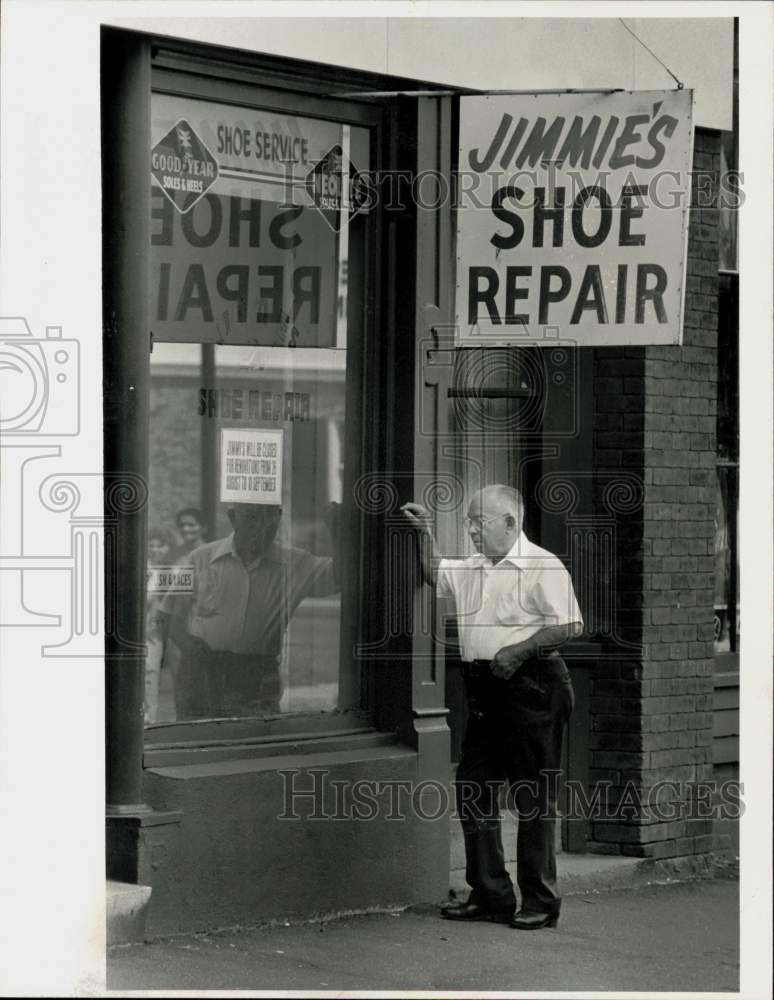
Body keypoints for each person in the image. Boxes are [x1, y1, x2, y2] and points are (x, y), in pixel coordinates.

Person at [402, 485, 583, 930]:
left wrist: (520, 650)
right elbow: (432, 572)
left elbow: (570, 624)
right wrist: (425, 531)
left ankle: (540, 901)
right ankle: (491, 894)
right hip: (484, 691)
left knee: (532, 797)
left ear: (510, 522)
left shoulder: (542, 565)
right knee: (473, 790)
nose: (472, 529)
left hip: (533, 688)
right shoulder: (471, 568)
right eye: (469, 521)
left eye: (479, 521)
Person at [160, 502, 340, 719]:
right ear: (233, 518)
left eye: (269, 518)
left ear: (279, 517)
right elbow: (167, 616)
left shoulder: (295, 563)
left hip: (256, 679)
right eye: (252, 517)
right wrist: (195, 653)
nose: (261, 527)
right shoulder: (199, 558)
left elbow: (345, 576)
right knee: (198, 741)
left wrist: (340, 533)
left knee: (253, 744)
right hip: (202, 673)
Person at [144, 525, 176, 724]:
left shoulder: (172, 572)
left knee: (150, 672)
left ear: (168, 548)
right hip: (135, 629)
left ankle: (149, 719)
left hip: (156, 631)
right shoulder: (138, 568)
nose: (155, 550)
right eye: (151, 545)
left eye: (161, 546)